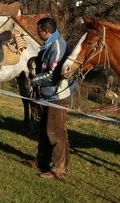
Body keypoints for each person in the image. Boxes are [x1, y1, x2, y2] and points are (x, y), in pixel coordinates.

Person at [23, 17, 72, 179]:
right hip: (46, 94)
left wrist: (34, 80)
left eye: (39, 32)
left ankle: (59, 168)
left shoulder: (57, 46)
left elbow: (53, 75)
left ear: (46, 31)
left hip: (56, 95)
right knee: (44, 129)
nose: (37, 35)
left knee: (55, 132)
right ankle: (42, 160)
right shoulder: (49, 44)